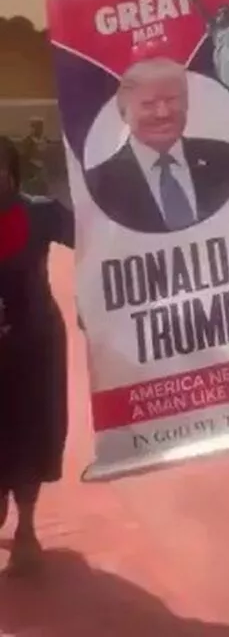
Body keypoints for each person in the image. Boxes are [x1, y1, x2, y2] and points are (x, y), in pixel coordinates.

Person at [0, 136, 74, 574]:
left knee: (31, 435)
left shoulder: (41, 212)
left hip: (35, 345)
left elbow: (101, 241)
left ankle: (26, 526)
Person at [85, 58, 229, 233]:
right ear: (124, 113)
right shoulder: (101, 185)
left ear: (186, 103)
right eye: (148, 104)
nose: (163, 113)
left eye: (171, 99)